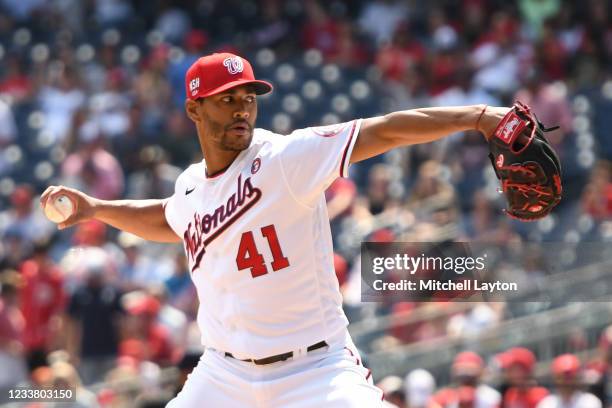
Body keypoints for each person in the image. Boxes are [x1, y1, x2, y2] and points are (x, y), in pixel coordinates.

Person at [41, 52, 510, 407]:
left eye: (248, 98)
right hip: (223, 375)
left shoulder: (285, 159)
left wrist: (478, 117)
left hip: (315, 369)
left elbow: (384, 130)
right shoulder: (190, 188)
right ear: (194, 111)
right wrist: (96, 208)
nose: (242, 108)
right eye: (227, 99)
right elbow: (167, 218)